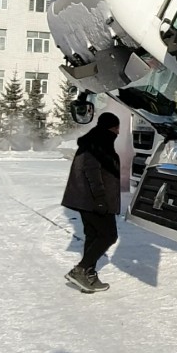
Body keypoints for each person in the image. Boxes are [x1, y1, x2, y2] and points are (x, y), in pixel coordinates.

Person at [62, 112, 122, 294]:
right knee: (108, 235)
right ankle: (81, 270)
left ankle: (87, 276)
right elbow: (92, 172)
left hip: (86, 200)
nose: (118, 131)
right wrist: (101, 199)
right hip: (93, 201)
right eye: (116, 127)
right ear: (110, 127)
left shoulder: (94, 139)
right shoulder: (98, 142)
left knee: (94, 235)